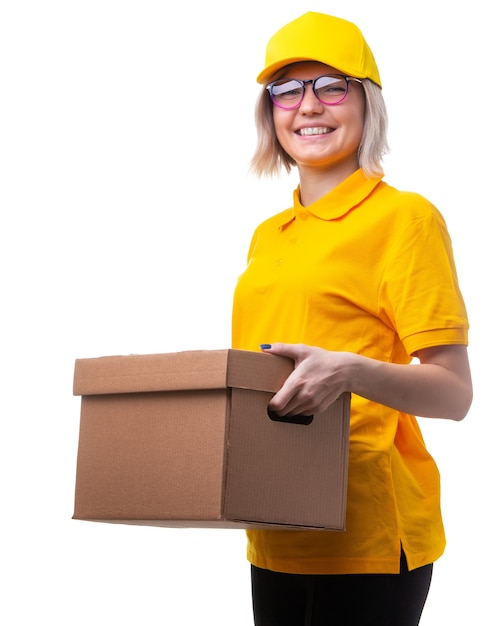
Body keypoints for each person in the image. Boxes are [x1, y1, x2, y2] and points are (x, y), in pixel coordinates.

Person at [231, 11, 473, 626]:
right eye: (288, 89)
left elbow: (454, 394)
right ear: (271, 113)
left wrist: (349, 372)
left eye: (331, 86)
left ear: (366, 104)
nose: (308, 105)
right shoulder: (269, 236)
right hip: (273, 524)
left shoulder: (405, 220)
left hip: (366, 534)